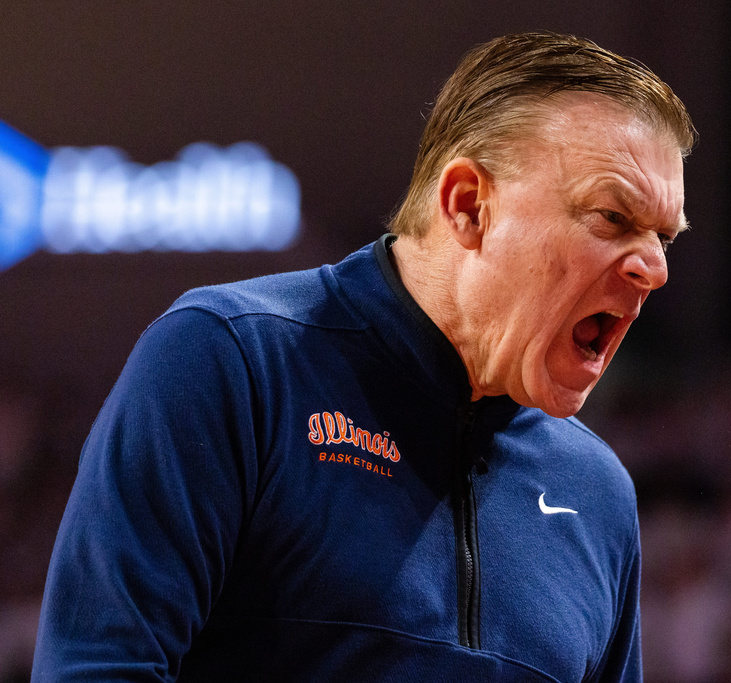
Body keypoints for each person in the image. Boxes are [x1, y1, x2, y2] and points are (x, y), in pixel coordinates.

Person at [32, 31, 695, 682]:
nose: (656, 268)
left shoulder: (598, 493)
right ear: (467, 206)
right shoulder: (231, 361)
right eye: (612, 216)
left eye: (663, 236)